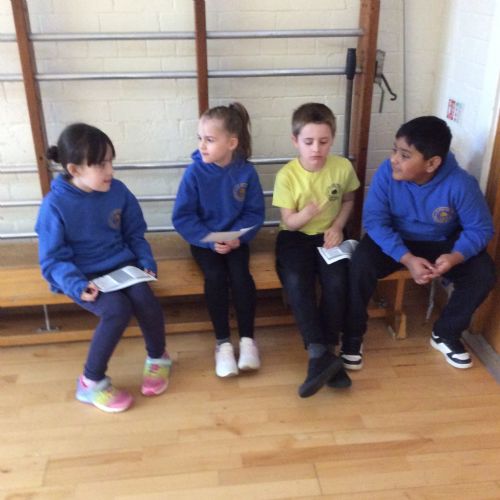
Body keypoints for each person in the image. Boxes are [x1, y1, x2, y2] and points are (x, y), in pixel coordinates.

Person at [341, 116, 496, 370]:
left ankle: (445, 333)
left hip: (441, 242)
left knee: (483, 272)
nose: (394, 159)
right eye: (394, 150)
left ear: (432, 163)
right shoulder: (386, 173)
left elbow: (480, 228)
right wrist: (407, 258)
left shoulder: (461, 183)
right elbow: (375, 221)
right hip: (396, 240)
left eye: (404, 155)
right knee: (360, 264)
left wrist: (455, 256)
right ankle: (352, 335)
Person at [35, 123, 171, 413]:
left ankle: (158, 357)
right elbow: (52, 260)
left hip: (123, 266)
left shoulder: (118, 191)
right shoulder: (54, 205)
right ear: (74, 169)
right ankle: (90, 381)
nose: (110, 170)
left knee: (144, 299)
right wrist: (76, 285)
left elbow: (135, 234)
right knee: (116, 309)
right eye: (100, 164)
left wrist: (145, 263)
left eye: (111, 161)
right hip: (83, 277)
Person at [273, 102, 361, 398]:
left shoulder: (342, 167)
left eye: (323, 142)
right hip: (295, 236)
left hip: (328, 236)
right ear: (295, 140)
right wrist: (307, 213)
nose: (316, 149)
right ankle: (319, 354)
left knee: (337, 281)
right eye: (309, 141)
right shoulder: (287, 175)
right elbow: (289, 222)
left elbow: (348, 200)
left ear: (332, 139)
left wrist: (338, 226)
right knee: (297, 280)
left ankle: (328, 352)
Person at [172, 102, 265, 378]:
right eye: (199, 138)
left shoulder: (246, 173)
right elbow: (183, 217)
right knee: (215, 276)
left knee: (241, 276)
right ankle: (223, 344)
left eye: (210, 140)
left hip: (235, 241)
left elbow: (254, 213)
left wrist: (238, 237)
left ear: (231, 143)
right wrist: (209, 241)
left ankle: (247, 340)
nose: (202, 146)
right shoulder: (194, 172)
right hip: (205, 242)